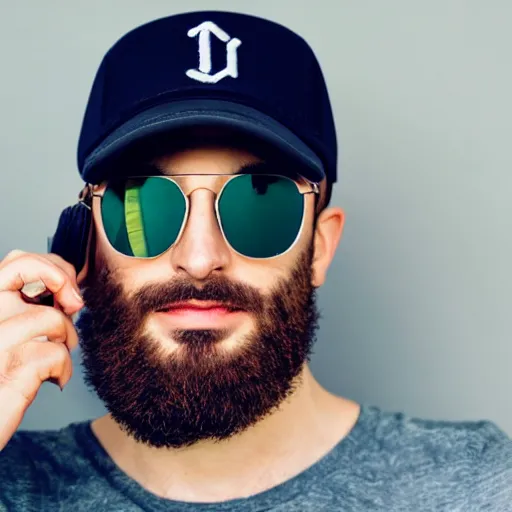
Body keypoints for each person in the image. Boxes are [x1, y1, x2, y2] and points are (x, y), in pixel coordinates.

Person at [0, 10, 510, 512]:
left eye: (262, 202)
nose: (200, 259)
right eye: (145, 201)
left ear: (321, 247)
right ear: (84, 242)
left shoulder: (478, 488)